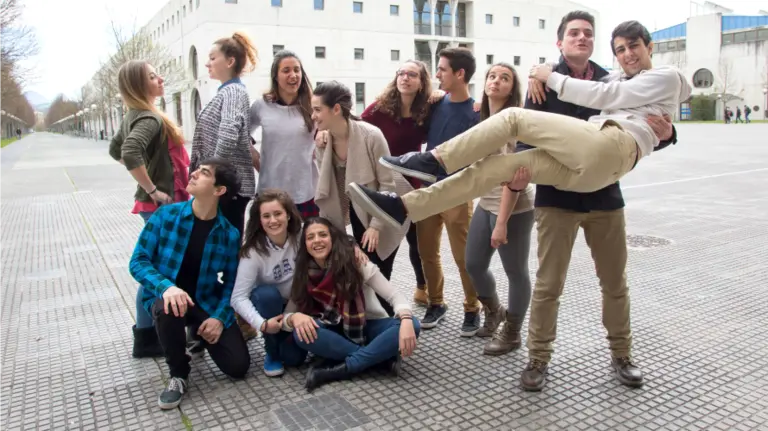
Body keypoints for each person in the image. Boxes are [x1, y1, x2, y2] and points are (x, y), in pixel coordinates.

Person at [346, 21, 691, 231]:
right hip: (591, 172)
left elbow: (606, 93)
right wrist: (538, 72)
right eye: (620, 49)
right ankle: (405, 207)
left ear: (651, 47)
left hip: (611, 147)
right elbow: (598, 76)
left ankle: (433, 161)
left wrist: (549, 77)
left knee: (512, 119)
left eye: (635, 47)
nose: (628, 54)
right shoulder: (622, 76)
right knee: (496, 166)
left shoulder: (667, 76)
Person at [517, 12, 679, 391]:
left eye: (588, 33)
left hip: (605, 197)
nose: (582, 38)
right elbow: (525, 129)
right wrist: (522, 169)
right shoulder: (543, 82)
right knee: (548, 285)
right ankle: (537, 359)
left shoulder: (612, 79)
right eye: (573, 33)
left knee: (614, 283)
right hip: (556, 198)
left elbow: (646, 119)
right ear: (560, 42)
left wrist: (669, 134)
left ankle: (622, 355)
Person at [130, 157, 250, 410]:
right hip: (169, 300)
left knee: (238, 367)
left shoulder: (228, 234)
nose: (193, 173)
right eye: (197, 169)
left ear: (219, 190)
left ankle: (199, 333)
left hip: (203, 299)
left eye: (204, 172)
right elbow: (138, 261)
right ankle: (178, 373)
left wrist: (218, 317)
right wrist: (166, 287)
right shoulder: (167, 215)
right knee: (169, 307)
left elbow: (230, 283)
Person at [395, 47, 483, 335]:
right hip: (429, 189)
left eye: (442, 69)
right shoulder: (435, 103)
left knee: (463, 257)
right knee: (426, 252)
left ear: (460, 74)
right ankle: (437, 303)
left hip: (458, 193)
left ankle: (473, 308)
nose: (437, 74)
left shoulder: (477, 112)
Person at [108, 59, 190, 359]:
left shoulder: (136, 114)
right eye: (153, 77)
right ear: (140, 85)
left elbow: (115, 148)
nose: (161, 79)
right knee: (159, 270)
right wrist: (152, 187)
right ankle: (148, 336)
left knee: (158, 266)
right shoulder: (148, 118)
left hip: (157, 205)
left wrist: (149, 175)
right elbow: (128, 152)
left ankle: (147, 336)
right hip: (162, 205)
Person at [280, 217, 420, 391]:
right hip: (331, 329)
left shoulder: (355, 262)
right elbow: (286, 316)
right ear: (305, 244)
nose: (317, 240)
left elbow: (394, 295)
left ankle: (338, 370)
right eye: (310, 237)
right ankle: (378, 358)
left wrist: (405, 318)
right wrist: (294, 318)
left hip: (365, 325)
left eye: (322, 234)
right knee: (300, 333)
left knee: (412, 324)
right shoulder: (303, 271)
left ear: (332, 238)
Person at [311, 81, 411, 315]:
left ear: (336, 109)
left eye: (317, 109)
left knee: (379, 274)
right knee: (356, 269)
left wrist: (376, 226)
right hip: (353, 207)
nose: (313, 116)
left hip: (385, 210)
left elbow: (388, 184)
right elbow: (326, 187)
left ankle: (390, 328)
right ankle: (367, 325)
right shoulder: (322, 140)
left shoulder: (371, 135)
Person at [463, 63, 536, 353]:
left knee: (515, 271)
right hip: (487, 202)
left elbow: (514, 175)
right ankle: (495, 311)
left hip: (515, 206)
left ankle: (513, 332)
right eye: (491, 76)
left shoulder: (516, 122)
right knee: (474, 264)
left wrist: (502, 222)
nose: (496, 81)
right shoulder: (483, 118)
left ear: (512, 87)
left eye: (504, 78)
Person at [229, 190, 310, 377]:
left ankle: (287, 342)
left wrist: (353, 246)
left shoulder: (300, 235)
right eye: (266, 216)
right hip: (270, 308)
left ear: (288, 215)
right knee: (266, 294)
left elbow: (329, 236)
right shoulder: (253, 253)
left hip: (296, 305)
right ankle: (271, 351)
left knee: (294, 360)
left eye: (278, 214)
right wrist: (262, 324)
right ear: (259, 220)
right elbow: (238, 298)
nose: (273, 221)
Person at [189, 31, 259, 235]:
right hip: (222, 186)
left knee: (224, 246)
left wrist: (210, 174)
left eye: (212, 58)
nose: (207, 64)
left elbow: (229, 134)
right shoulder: (226, 92)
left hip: (227, 188)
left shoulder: (234, 92)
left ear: (230, 61)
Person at [250, 50, 319, 219]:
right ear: (275, 76)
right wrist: (255, 158)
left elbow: (330, 131)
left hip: (306, 191)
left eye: (297, 70)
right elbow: (242, 134)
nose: (293, 75)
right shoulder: (262, 106)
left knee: (304, 243)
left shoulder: (313, 105)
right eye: (286, 70)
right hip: (270, 190)